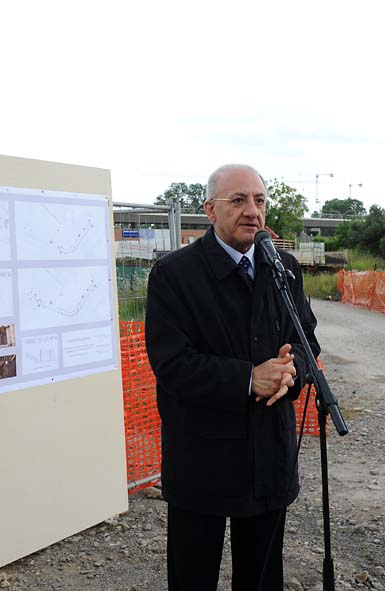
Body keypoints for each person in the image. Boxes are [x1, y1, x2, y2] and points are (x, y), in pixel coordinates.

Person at [145, 164, 320, 590]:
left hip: (269, 458)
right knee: (193, 575)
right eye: (238, 200)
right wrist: (248, 378)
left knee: (261, 577)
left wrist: (288, 372)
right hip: (201, 461)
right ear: (210, 209)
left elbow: (307, 343)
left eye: (259, 200)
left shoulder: (285, 269)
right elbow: (172, 363)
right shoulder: (174, 275)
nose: (252, 211)